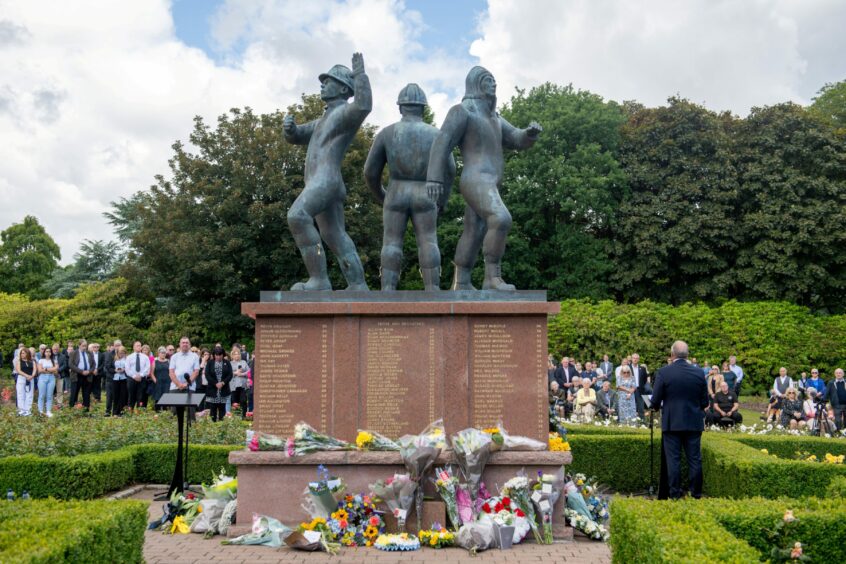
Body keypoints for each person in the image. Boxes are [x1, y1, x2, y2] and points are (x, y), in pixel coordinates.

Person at [426, 65, 541, 290]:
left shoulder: (494, 117)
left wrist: (529, 134)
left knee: (474, 231)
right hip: (475, 179)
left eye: (494, 81)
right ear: (477, 84)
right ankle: (492, 277)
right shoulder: (463, 111)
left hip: (490, 182)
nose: (494, 84)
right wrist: (434, 179)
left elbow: (515, 138)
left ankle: (461, 282)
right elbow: (442, 142)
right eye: (489, 80)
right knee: (501, 218)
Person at [283, 53, 372, 291]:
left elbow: (364, 105)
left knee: (297, 216)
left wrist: (360, 75)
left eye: (329, 81)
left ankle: (319, 280)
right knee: (333, 234)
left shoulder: (345, 113)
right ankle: (358, 284)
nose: (323, 84)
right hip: (322, 182)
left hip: (325, 180)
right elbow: (299, 135)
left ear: (344, 89)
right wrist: (290, 131)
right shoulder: (323, 118)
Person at [364, 83, 455, 290]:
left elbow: (369, 172)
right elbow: (450, 169)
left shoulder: (386, 133)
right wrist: (443, 198)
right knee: (428, 241)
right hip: (426, 193)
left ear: (400, 107)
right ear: (424, 108)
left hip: (395, 192)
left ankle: (387, 289)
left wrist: (381, 195)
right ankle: (432, 288)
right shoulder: (436, 135)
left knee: (391, 242)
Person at [650, 341, 709, 500]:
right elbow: (705, 402)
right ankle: (695, 494)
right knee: (694, 459)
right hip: (693, 422)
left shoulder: (664, 372)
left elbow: (655, 401)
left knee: (673, 460)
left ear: (672, 354)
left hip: (672, 423)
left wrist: (654, 406)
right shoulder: (699, 373)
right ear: (687, 355)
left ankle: (674, 495)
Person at [205, 346, 233, 421]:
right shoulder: (210, 363)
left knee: (222, 411)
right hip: (213, 390)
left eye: (220, 355)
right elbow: (207, 375)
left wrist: (223, 383)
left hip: (223, 390)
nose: (218, 357)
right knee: (212, 411)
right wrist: (215, 383)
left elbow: (230, 375)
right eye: (216, 355)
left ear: (223, 355)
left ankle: (221, 427)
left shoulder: (227, 362)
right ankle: (213, 428)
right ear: (214, 355)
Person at [125, 341, 151, 410]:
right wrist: (134, 376)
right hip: (131, 379)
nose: (139, 347)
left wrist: (141, 375)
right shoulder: (129, 357)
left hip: (142, 379)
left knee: (141, 396)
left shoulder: (145, 357)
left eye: (140, 345)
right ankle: (130, 412)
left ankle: (139, 413)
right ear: (133, 347)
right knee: (131, 396)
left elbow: (147, 368)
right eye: (137, 345)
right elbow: (127, 369)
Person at [69, 340, 95, 410]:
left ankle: (86, 409)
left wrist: (89, 371)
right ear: (79, 345)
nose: (84, 347)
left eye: (85, 346)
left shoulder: (89, 353)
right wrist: (81, 371)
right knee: (74, 392)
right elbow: (71, 365)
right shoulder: (73, 353)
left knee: (86, 393)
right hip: (77, 375)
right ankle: (71, 408)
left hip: (87, 376)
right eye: (83, 346)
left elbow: (93, 364)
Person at [36, 346, 58, 417]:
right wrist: (51, 369)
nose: (48, 353)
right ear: (44, 352)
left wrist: (45, 369)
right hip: (42, 378)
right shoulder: (41, 360)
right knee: (42, 395)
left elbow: (56, 371)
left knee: (49, 395)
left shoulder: (54, 361)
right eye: (46, 351)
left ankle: (48, 411)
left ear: (51, 353)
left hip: (51, 378)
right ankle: (41, 411)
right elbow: (39, 370)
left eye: (49, 351)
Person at [14, 347, 37, 416]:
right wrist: (26, 375)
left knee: (29, 394)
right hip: (21, 378)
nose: (22, 354)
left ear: (27, 353)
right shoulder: (19, 361)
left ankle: (28, 410)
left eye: (23, 353)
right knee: (21, 394)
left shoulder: (32, 361)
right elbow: (18, 370)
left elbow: (34, 370)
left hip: (30, 379)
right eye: (21, 353)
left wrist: (32, 376)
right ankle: (21, 410)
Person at [229, 347, 249, 416]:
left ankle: (244, 416)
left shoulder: (243, 362)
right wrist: (235, 373)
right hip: (234, 386)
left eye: (238, 354)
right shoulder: (230, 363)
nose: (237, 355)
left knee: (243, 401)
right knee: (235, 402)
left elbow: (249, 372)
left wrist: (242, 374)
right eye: (235, 354)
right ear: (232, 355)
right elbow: (227, 374)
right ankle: (236, 417)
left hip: (243, 385)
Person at [103, 339, 121, 416]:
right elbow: (107, 366)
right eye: (116, 345)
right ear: (114, 346)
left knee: (118, 396)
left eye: (119, 345)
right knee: (109, 396)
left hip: (120, 378)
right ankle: (108, 411)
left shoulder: (123, 354)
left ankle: (116, 411)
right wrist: (115, 371)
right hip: (111, 377)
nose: (118, 347)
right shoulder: (109, 354)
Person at [111, 346, 128, 416]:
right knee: (116, 395)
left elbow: (129, 368)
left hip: (124, 378)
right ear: (117, 353)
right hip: (116, 378)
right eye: (120, 353)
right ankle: (115, 412)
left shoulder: (127, 359)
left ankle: (122, 412)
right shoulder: (114, 359)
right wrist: (115, 370)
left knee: (123, 395)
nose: (121, 354)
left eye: (122, 353)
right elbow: (110, 368)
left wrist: (124, 369)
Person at [631, 353, 649, 418]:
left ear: (638, 359)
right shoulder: (628, 367)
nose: (635, 359)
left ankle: (642, 422)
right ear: (631, 359)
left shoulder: (642, 369)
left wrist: (640, 385)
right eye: (634, 358)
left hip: (639, 389)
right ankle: (630, 421)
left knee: (641, 407)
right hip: (630, 390)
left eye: (636, 358)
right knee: (631, 406)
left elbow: (644, 379)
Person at [52, 343, 66, 407]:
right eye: (54, 349)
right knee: (50, 389)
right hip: (51, 375)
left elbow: (65, 365)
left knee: (59, 389)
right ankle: (50, 402)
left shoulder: (63, 356)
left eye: (57, 349)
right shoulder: (49, 356)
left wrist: (58, 370)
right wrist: (53, 370)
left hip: (60, 375)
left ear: (59, 349)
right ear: (52, 349)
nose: (55, 350)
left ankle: (59, 402)